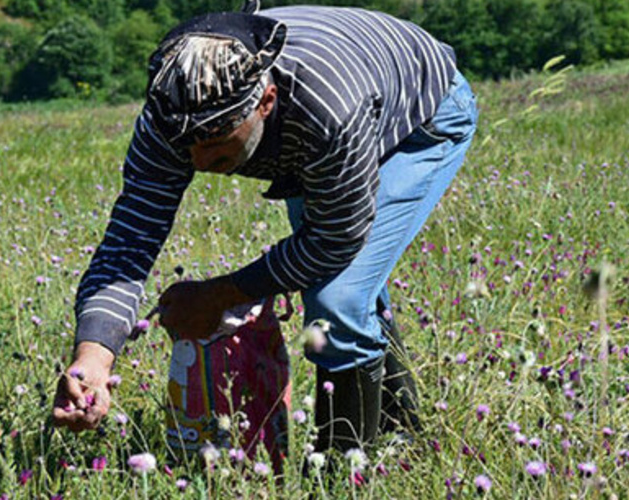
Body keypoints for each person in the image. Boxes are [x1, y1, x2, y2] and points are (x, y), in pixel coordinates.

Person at [52, 1, 478, 452]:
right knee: (348, 291)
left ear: (265, 102)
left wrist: (221, 294)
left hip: (421, 116)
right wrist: (92, 358)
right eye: (187, 147)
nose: (199, 162)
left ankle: (343, 473)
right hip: (321, 124)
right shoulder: (172, 114)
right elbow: (128, 243)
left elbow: (334, 239)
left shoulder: (328, 112)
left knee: (336, 298)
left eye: (217, 142)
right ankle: (400, 430)